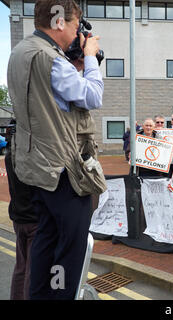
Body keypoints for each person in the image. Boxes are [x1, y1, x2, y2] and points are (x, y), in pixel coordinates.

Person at [7, 0, 107, 299]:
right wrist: (89, 59)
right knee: (68, 252)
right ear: (60, 22)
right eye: (77, 26)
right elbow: (92, 96)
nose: (79, 33)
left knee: (45, 245)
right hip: (63, 172)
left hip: (37, 169)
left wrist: (75, 63)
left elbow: (50, 105)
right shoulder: (50, 58)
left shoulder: (20, 53)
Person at [4, 120, 38, 300]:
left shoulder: (10, 156)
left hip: (18, 216)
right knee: (32, 271)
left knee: (20, 267)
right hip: (34, 218)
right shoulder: (29, 156)